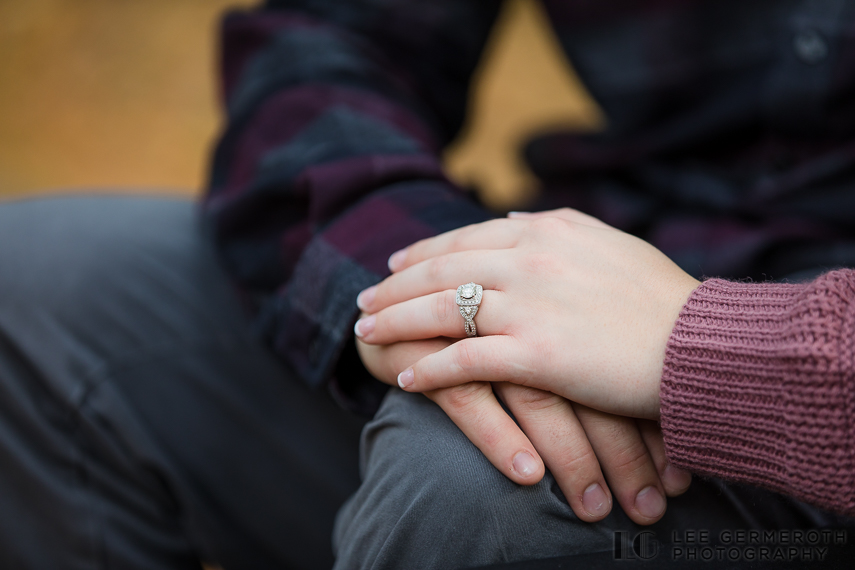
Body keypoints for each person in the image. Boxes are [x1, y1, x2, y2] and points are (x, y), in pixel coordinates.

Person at [0, 2, 852, 570]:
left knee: (480, 484)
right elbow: (335, 40)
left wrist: (709, 350)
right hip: (622, 247)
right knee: (37, 289)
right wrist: (429, 288)